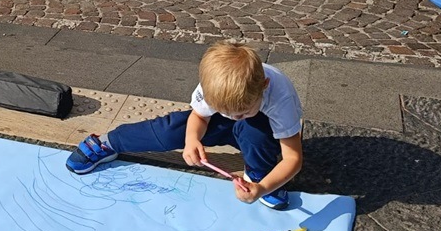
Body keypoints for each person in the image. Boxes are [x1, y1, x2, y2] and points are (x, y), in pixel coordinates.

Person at [66, 42, 302, 210]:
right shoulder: (215, 85)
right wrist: (192, 140)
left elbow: (293, 158)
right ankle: (109, 142)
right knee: (171, 130)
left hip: (260, 130)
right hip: (220, 123)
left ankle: (259, 174)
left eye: (241, 111)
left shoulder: (281, 98)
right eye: (225, 111)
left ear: (264, 86)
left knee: (254, 130)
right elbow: (199, 117)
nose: (235, 116)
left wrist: (262, 187)